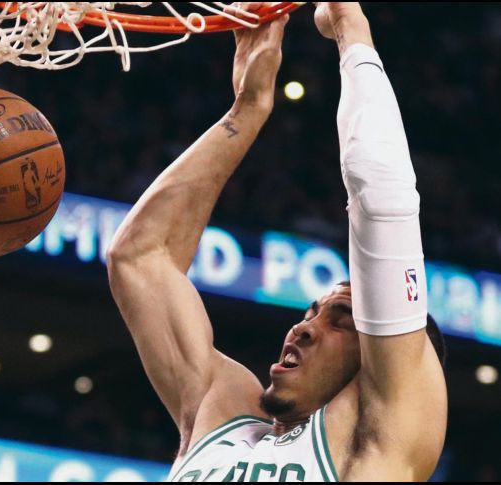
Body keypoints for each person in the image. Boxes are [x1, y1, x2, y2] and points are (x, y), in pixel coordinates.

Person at [105, 2, 447, 481]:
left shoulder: (379, 436)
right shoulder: (221, 413)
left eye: (342, 320)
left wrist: (351, 28)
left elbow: (381, 196)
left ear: (382, 359)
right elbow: (140, 258)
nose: (303, 328)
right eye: (310, 313)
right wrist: (247, 109)